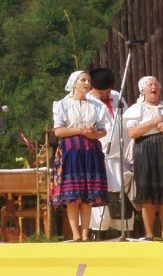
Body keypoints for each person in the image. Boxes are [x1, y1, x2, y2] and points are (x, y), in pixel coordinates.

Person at [123, 76, 163, 240]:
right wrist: (153, 122)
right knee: (148, 194)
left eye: (156, 85)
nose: (154, 87)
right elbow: (132, 133)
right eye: (150, 85)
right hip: (145, 152)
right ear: (143, 90)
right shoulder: (136, 110)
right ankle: (149, 234)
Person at [50, 70, 110, 242]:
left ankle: (85, 234)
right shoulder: (62, 104)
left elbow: (103, 130)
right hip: (71, 150)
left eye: (88, 80)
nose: (86, 83)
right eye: (83, 80)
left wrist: (92, 134)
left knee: (87, 195)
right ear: (74, 83)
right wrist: (80, 130)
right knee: (72, 196)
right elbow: (59, 131)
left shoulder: (96, 105)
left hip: (90, 150)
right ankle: (75, 235)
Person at [86, 68, 134, 235]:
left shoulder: (117, 96)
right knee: (102, 201)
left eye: (107, 91)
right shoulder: (87, 101)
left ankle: (123, 233)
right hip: (101, 158)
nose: (106, 95)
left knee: (122, 198)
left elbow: (127, 120)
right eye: (102, 92)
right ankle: (98, 233)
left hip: (121, 158)